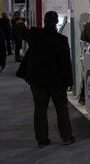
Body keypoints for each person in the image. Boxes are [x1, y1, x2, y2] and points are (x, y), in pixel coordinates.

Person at [24, 11, 75, 147]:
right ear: (56, 21)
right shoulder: (61, 40)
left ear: (44, 20)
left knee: (40, 110)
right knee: (62, 109)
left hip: (37, 80)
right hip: (57, 81)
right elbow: (65, 63)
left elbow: (21, 32)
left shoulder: (35, 35)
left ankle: (42, 139)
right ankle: (67, 137)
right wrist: (69, 81)